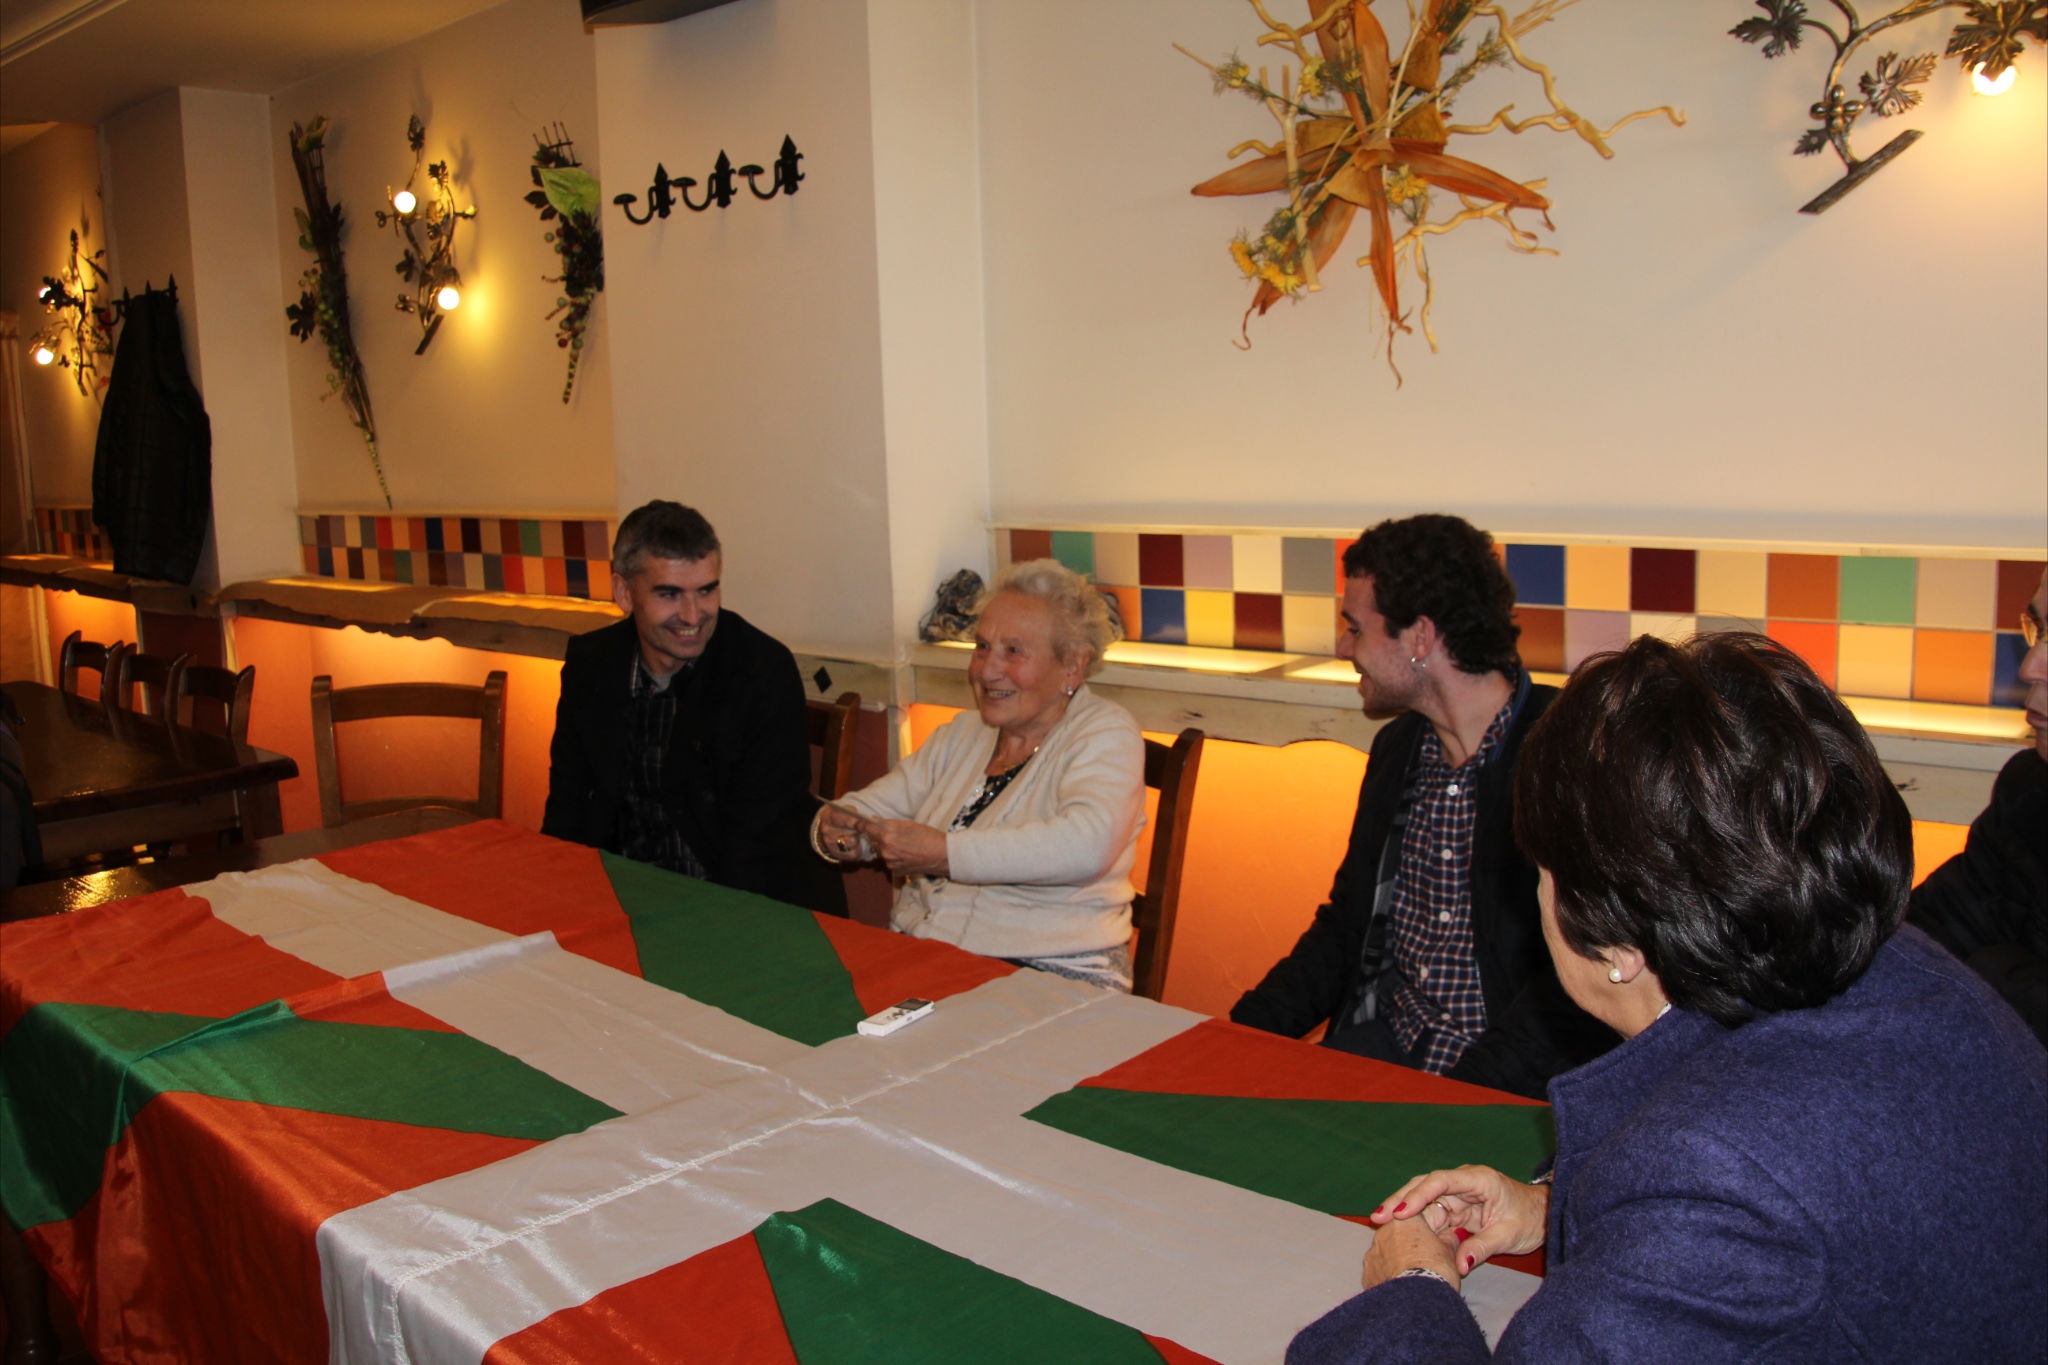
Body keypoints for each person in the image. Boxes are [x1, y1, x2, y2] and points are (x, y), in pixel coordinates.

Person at [1289, 633, 2047, 1364]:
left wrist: (1413, 1287)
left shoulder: (1707, 1174)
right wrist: (1556, 1205)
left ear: (1620, 946)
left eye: (1542, 872)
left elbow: (1736, 1203)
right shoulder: (1915, 971)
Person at [1230, 515, 1610, 1097]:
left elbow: (1572, 985)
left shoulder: (1567, 753)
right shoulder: (1399, 749)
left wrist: (1444, 1106)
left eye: (1355, 628)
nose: (1343, 647)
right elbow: (1347, 927)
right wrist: (1238, 1037)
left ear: (1419, 638)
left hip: (1510, 1085)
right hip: (1390, 1047)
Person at [814, 559, 1146, 990]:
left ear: (1072, 666)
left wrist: (944, 853)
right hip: (928, 955)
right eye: (983, 647)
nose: (987, 670)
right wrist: (841, 830)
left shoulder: (1105, 732)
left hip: (1053, 970)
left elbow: (1087, 845)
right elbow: (873, 807)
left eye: (1013, 651)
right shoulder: (963, 733)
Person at [543, 500, 842, 914]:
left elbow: (761, 842)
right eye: (669, 594)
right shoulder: (592, 664)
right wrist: (559, 902)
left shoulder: (760, 672)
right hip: (618, 898)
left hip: (735, 907)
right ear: (624, 593)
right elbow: (568, 805)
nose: (692, 615)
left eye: (706, 590)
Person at [1907, 566, 2047, 1043]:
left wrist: (1994, 973)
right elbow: (1924, 936)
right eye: (2039, 629)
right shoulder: (2029, 792)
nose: (2030, 667)